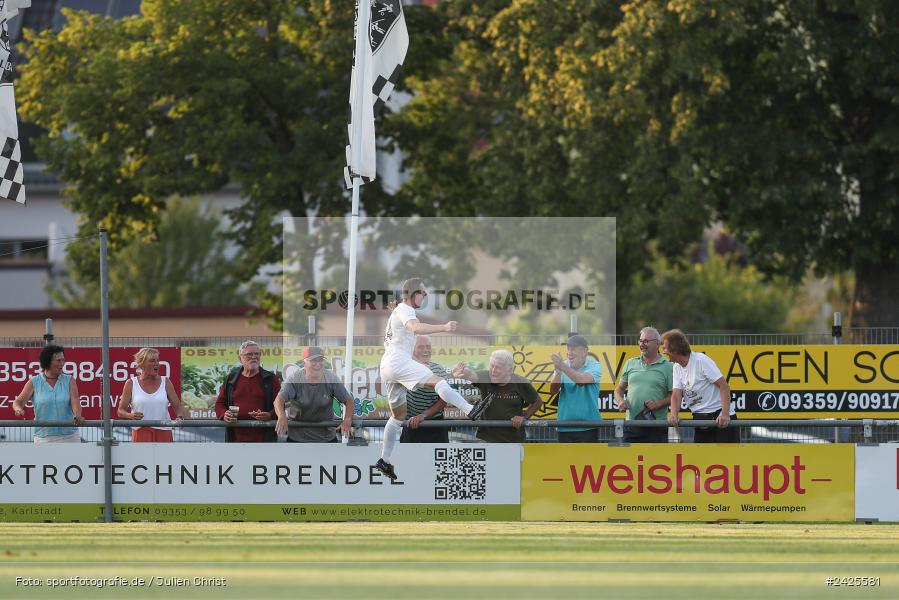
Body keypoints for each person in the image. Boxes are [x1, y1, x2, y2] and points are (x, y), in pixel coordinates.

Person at [375, 278, 482, 481]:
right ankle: (470, 410)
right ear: (414, 294)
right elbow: (415, 328)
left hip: (387, 366)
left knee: (398, 417)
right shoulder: (406, 309)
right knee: (439, 383)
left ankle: (384, 460)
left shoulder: (399, 309)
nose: (425, 297)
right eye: (423, 293)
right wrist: (444, 327)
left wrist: (395, 307)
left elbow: (402, 320)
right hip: (398, 362)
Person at [661, 328, 739, 443]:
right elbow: (676, 394)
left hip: (721, 419)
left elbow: (724, 386)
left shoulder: (700, 360)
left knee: (727, 460)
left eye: (665, 348)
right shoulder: (676, 367)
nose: (663, 351)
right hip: (700, 420)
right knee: (702, 460)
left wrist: (725, 414)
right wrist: (673, 414)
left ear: (675, 349)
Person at [452, 349, 542, 443]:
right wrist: (462, 372)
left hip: (513, 440)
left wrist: (524, 417)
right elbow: (471, 374)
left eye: (498, 367)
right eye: (492, 366)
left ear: (510, 370)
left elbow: (538, 402)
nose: (493, 371)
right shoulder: (485, 376)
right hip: (485, 439)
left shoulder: (520, 382)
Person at [275, 346, 353, 443]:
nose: (318, 364)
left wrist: (347, 420)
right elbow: (279, 400)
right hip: (297, 439)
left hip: (326, 438)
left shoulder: (331, 378)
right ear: (304, 362)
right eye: (313, 361)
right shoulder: (294, 378)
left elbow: (348, 400)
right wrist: (281, 416)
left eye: (320, 360)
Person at [12, 344, 84, 443]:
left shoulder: (70, 380)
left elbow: (75, 400)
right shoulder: (34, 382)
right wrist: (18, 409)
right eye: (58, 360)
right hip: (44, 437)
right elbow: (18, 401)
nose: (62, 363)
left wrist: (77, 415)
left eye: (63, 360)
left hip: (70, 436)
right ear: (48, 361)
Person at [614, 327, 672, 443]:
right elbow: (619, 389)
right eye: (640, 341)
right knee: (628, 461)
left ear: (657, 344)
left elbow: (675, 395)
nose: (642, 344)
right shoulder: (630, 363)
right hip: (631, 425)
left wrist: (658, 404)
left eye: (646, 341)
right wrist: (620, 401)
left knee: (657, 461)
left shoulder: (668, 366)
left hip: (657, 427)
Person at [118, 347, 189, 442]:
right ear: (142, 364)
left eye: (157, 360)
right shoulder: (131, 383)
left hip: (164, 431)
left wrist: (180, 418)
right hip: (141, 432)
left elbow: (177, 406)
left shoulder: (166, 381)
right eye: (152, 361)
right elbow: (120, 411)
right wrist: (130, 416)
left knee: (165, 457)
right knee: (141, 457)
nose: (156, 364)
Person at [215, 340, 279, 443]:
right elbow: (219, 404)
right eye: (249, 354)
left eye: (257, 354)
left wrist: (270, 415)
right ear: (240, 358)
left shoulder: (271, 379)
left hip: (264, 438)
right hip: (235, 438)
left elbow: (280, 404)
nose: (254, 357)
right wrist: (224, 414)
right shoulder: (230, 379)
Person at [550, 334, 603, 442]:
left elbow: (582, 381)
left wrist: (562, 367)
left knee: (588, 459)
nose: (569, 353)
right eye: (568, 349)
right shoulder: (563, 365)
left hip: (589, 427)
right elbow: (553, 390)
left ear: (584, 351)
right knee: (566, 459)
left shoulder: (595, 366)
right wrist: (558, 371)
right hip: (564, 427)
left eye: (573, 349)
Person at [401, 336, 449, 444]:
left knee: (438, 460)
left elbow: (443, 401)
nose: (426, 350)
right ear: (412, 350)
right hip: (411, 424)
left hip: (436, 426)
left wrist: (422, 416)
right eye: (421, 347)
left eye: (428, 347)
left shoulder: (439, 370)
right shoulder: (404, 370)